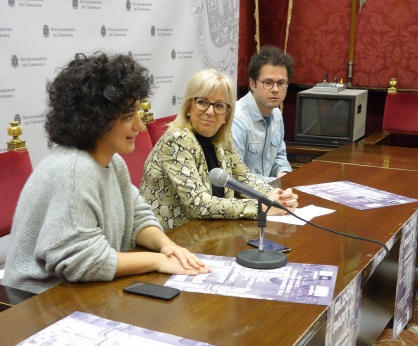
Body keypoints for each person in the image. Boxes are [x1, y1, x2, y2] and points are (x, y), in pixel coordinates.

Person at [4, 52, 209, 295]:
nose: (139, 125)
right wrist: (156, 261)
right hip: (36, 301)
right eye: (127, 116)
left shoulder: (114, 163)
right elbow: (84, 261)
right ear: (95, 120)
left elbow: (138, 218)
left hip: (81, 289)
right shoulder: (74, 171)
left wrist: (167, 247)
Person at [140, 68, 298, 230]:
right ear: (188, 107)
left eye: (219, 105)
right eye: (202, 102)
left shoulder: (222, 138)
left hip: (209, 232)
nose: (210, 111)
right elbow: (198, 203)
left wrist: (278, 197)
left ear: (227, 114)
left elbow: (244, 178)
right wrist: (261, 206)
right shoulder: (177, 140)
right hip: (171, 237)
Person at [232, 46, 294, 183]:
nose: (276, 89)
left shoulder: (276, 114)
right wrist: (276, 184)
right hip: (243, 198)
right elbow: (236, 176)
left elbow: (279, 155)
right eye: (268, 83)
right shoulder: (237, 120)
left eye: (281, 83)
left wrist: (284, 174)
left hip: (270, 192)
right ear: (252, 84)